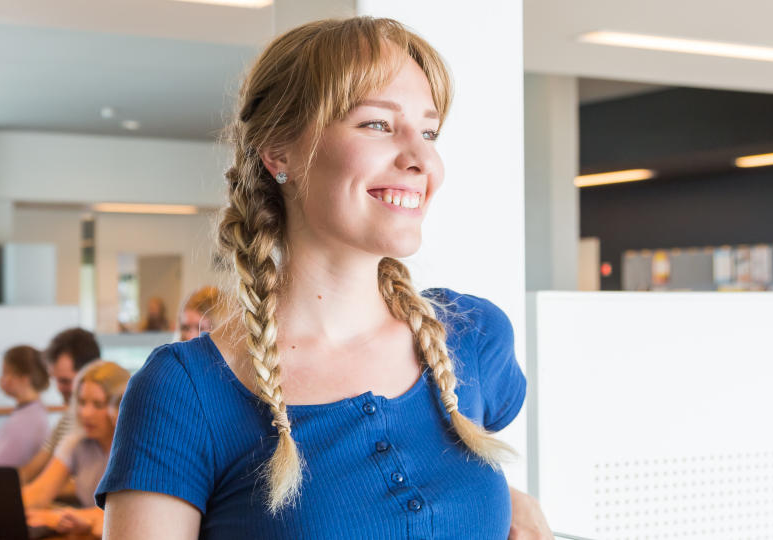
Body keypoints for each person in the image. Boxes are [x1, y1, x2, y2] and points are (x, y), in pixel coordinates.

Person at [95, 17, 552, 539]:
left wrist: (509, 501)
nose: (422, 159)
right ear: (279, 151)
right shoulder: (185, 392)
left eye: (429, 132)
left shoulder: (471, 336)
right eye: (377, 125)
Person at [22, 361, 130, 537]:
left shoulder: (136, 450)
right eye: (82, 402)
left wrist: (61, 515)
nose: (86, 413)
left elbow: (122, 511)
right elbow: (39, 493)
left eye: (98, 404)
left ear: (121, 407)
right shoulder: (75, 443)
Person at [18, 328, 102, 483]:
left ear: (91, 373)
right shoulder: (67, 418)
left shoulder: (108, 423)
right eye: (55, 380)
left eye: (65, 381)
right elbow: (32, 470)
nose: (58, 388)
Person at [0, 345, 51, 467]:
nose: (1, 379)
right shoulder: (27, 412)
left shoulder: (28, 420)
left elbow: (0, 469)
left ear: (24, 378)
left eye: (6, 373)